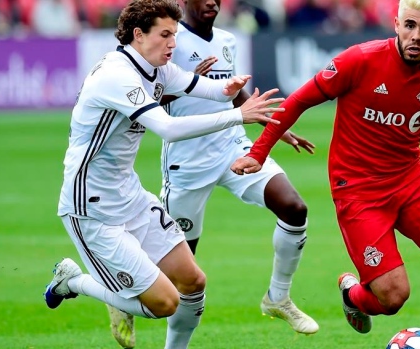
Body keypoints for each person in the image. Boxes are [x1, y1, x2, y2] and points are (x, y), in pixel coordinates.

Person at [231, 0, 420, 348]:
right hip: (357, 192)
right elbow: (298, 100)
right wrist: (258, 152)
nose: (416, 36)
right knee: (392, 297)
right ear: (396, 23)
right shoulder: (360, 59)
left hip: (410, 179)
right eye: (410, 25)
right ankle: (354, 295)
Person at [43, 1, 285, 349]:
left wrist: (231, 87)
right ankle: (74, 281)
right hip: (91, 208)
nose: (174, 43)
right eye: (165, 34)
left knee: (193, 281)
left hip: (130, 195)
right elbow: (168, 128)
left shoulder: (158, 68)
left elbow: (207, 89)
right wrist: (238, 116)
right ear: (138, 35)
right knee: (163, 303)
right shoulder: (116, 75)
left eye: (175, 33)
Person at [106, 0, 319, 347]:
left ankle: (278, 297)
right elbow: (148, 102)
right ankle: (122, 291)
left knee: (294, 208)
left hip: (233, 147)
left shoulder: (226, 40)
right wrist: (188, 83)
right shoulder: (169, 41)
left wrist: (275, 128)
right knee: (180, 275)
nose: (212, 2)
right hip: (188, 164)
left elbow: (235, 93)